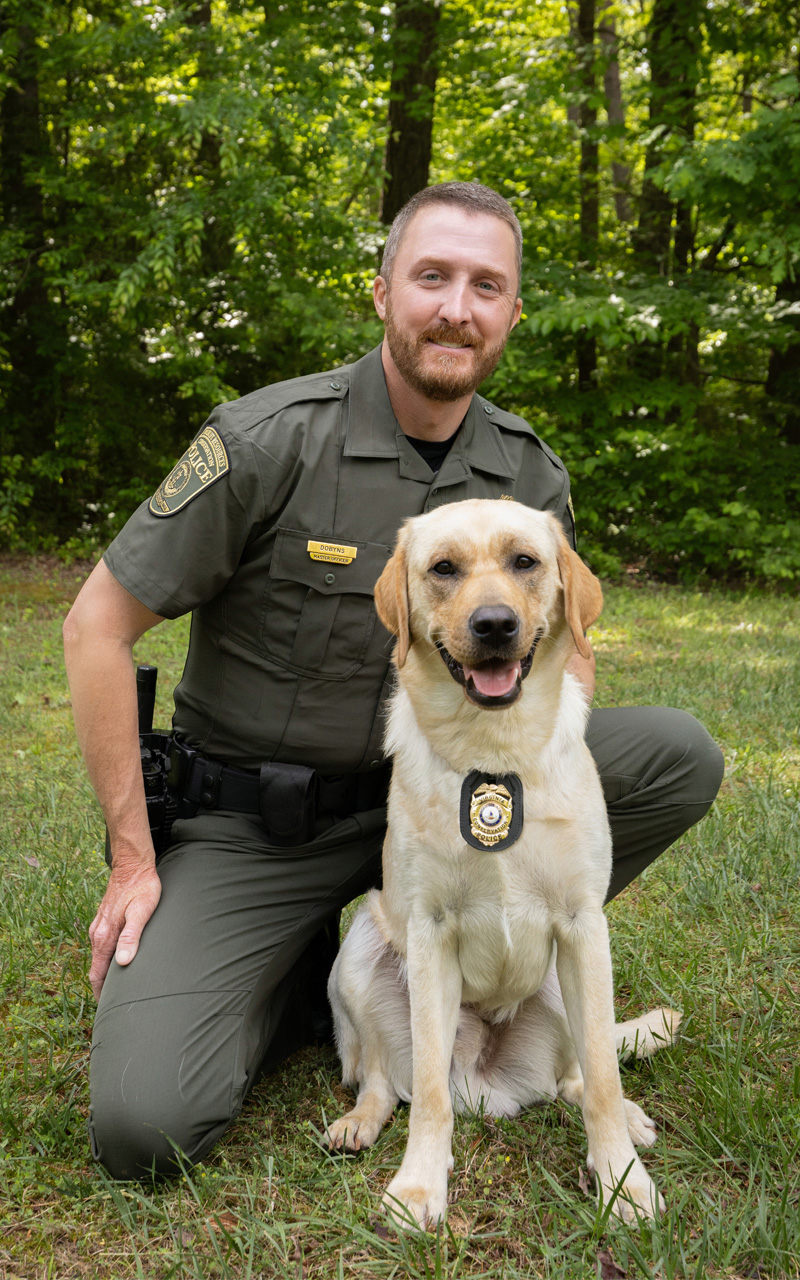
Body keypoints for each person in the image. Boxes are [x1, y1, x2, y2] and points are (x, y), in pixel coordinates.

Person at [63, 182, 724, 1181]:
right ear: (380, 293)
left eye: (485, 285)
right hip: (260, 827)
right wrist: (132, 859)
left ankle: (496, 951)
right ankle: (282, 973)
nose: (457, 306)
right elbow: (93, 628)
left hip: (445, 799)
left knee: (671, 753)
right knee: (143, 1123)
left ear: (509, 313)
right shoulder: (266, 439)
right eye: (432, 277)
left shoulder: (525, 469)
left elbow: (563, 636)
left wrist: (550, 794)